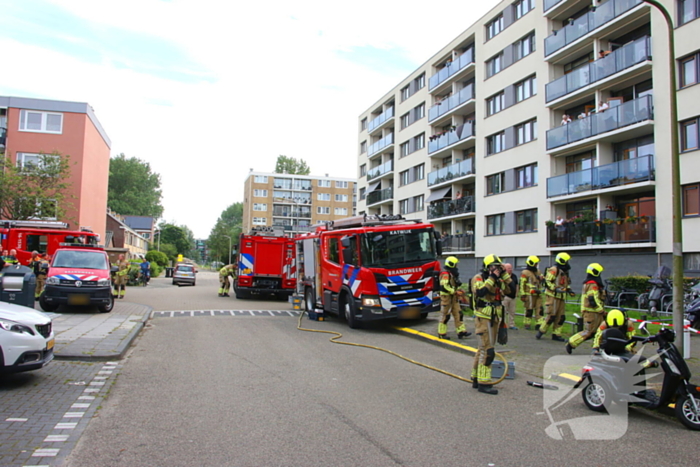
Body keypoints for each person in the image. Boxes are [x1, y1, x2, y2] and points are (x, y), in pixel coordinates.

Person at [471, 254, 516, 395]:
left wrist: (504, 275)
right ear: (487, 267)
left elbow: (512, 292)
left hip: (495, 318)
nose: (495, 269)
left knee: (482, 349)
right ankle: (484, 383)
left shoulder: (498, 280)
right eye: (493, 267)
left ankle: (476, 377)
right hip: (483, 318)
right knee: (487, 351)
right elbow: (480, 292)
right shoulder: (479, 278)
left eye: (497, 266)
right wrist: (492, 277)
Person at [566, 263, 606, 354]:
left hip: (595, 312)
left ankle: (598, 349)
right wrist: (601, 310)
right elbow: (592, 299)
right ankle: (571, 343)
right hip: (591, 312)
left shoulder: (591, 283)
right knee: (589, 332)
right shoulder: (592, 284)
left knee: (599, 331)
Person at [537, 252, 574, 342]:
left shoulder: (565, 271)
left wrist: (569, 290)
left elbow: (565, 283)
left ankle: (556, 334)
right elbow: (547, 281)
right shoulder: (554, 269)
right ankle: (541, 331)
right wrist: (555, 289)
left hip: (561, 296)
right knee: (551, 316)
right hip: (552, 296)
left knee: (561, 317)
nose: (567, 262)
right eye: (566, 261)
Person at [437, 256, 471, 340]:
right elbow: (444, 286)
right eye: (456, 265)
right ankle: (442, 333)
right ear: (451, 264)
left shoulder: (452, 274)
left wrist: (459, 290)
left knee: (458, 313)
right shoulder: (445, 274)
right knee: (445, 316)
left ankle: (461, 331)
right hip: (446, 298)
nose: (457, 266)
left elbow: (453, 285)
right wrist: (454, 291)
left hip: (453, 298)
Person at [520, 256, 544, 330]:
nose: (536, 265)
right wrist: (523, 294)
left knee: (539, 309)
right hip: (529, 294)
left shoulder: (538, 271)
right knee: (529, 309)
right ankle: (527, 323)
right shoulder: (525, 272)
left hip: (538, 294)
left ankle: (539, 324)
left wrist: (542, 278)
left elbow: (543, 278)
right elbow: (522, 284)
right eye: (535, 263)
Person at [502, 263, 518, 330]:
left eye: (511, 268)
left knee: (512, 311)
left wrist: (517, 293)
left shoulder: (514, 276)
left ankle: (511, 324)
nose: (510, 269)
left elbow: (517, 285)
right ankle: (503, 324)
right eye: (509, 268)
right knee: (504, 311)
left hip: (513, 297)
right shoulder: (503, 277)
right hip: (505, 296)